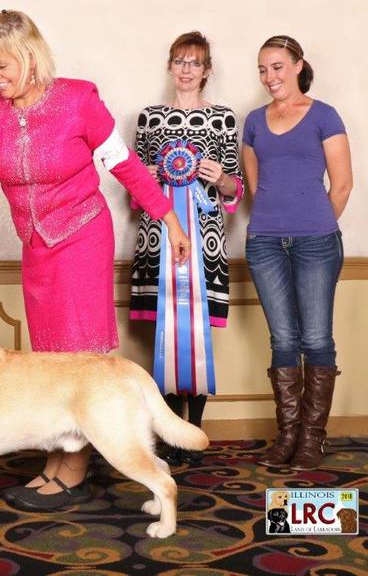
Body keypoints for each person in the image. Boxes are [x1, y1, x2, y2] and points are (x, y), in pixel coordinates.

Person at [0, 9, 190, 510]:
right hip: (37, 247)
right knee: (49, 360)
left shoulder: (79, 99)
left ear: (29, 57)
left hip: (83, 236)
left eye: (2, 65)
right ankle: (57, 459)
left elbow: (125, 165)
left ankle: (74, 469)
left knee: (79, 355)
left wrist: (169, 219)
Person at [130, 32, 243, 465]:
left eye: (195, 62)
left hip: (204, 242)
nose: (186, 69)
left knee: (195, 335)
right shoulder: (149, 119)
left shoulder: (224, 120)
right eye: (179, 61)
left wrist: (221, 178)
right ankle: (168, 433)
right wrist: (148, 178)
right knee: (164, 333)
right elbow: (134, 188)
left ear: (207, 70)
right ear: (169, 66)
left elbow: (235, 189)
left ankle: (193, 432)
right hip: (158, 240)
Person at [242, 35, 352, 471]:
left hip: (316, 241)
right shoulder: (254, 121)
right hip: (265, 242)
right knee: (283, 339)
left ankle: (312, 438)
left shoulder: (325, 115)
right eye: (263, 69)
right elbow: (256, 187)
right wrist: (278, 222)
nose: (269, 76)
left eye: (277, 67)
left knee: (316, 338)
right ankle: (287, 434)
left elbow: (342, 185)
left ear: (298, 65)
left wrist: (314, 225)